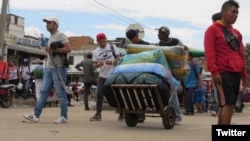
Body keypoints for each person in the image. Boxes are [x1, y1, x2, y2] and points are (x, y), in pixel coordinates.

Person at [204, 0, 247, 125]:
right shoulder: (212, 30)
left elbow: (241, 55)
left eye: (237, 13)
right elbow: (209, 53)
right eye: (232, 12)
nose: (235, 15)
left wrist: (244, 75)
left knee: (228, 104)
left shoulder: (237, 34)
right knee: (227, 104)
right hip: (223, 72)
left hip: (236, 72)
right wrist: (215, 72)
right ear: (223, 12)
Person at [23, 16, 71, 124]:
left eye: (49, 22)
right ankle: (36, 115)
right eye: (47, 23)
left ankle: (64, 116)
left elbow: (68, 49)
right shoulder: (51, 37)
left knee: (61, 92)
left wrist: (54, 49)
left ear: (55, 25)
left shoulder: (60, 35)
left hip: (58, 67)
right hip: (49, 68)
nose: (47, 24)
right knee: (43, 91)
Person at [89, 33, 120, 121]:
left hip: (113, 74)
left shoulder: (113, 47)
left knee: (116, 94)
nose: (103, 43)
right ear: (98, 42)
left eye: (104, 41)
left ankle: (121, 112)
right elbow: (94, 65)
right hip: (102, 75)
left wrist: (113, 61)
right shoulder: (95, 52)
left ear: (106, 40)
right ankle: (98, 114)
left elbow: (119, 57)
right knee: (99, 93)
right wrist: (98, 64)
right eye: (101, 42)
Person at [156, 26, 184, 122]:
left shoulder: (176, 41)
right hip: (166, 70)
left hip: (175, 71)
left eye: (160, 33)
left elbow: (184, 51)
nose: (158, 35)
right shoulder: (161, 43)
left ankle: (177, 116)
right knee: (167, 93)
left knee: (173, 93)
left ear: (165, 34)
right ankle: (170, 113)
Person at [125, 28, 150, 122]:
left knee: (141, 93)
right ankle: (133, 113)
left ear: (137, 36)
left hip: (144, 72)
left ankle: (141, 114)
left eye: (133, 38)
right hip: (133, 72)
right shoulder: (130, 48)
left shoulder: (147, 45)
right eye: (131, 40)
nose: (133, 41)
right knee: (131, 92)